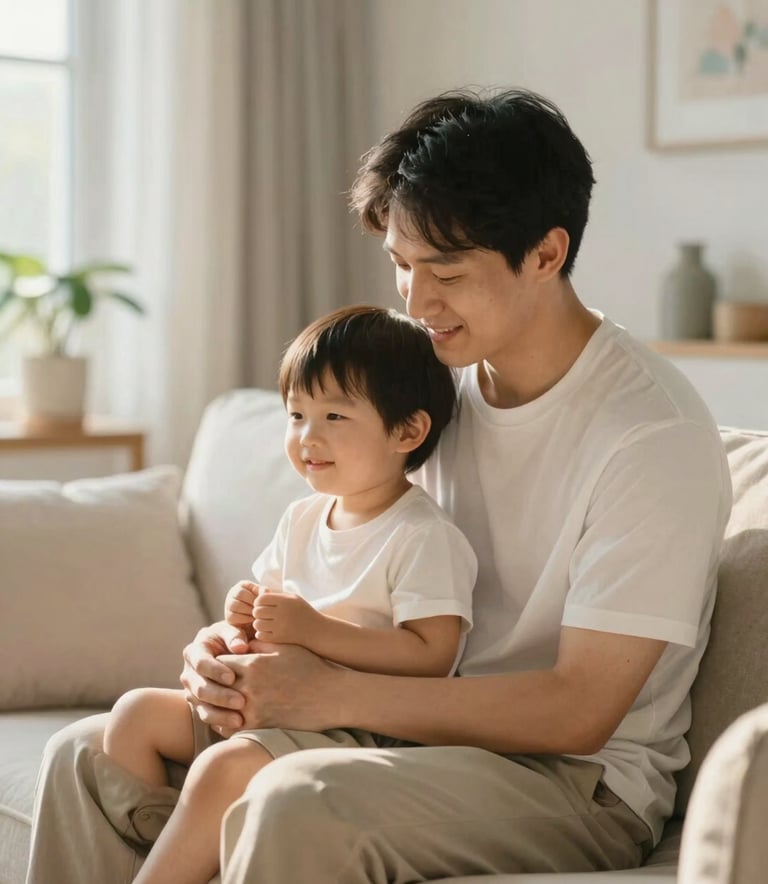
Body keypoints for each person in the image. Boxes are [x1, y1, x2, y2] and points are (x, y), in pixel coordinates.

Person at [27, 87, 732, 884]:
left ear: (545, 254)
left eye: (447, 272)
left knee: (294, 799)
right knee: (85, 753)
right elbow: (337, 573)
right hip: (404, 732)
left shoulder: (650, 433)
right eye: (401, 265)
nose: (417, 302)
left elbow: (579, 710)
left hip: (573, 779)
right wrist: (225, 658)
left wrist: (324, 695)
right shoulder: (425, 388)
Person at [76, 305, 477, 884]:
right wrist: (239, 620)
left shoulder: (422, 535)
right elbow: (266, 612)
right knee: (134, 715)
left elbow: (433, 655)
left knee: (221, 769)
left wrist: (316, 631)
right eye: (295, 415)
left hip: (350, 729)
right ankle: (176, 849)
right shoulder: (302, 518)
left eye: (334, 415)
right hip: (268, 705)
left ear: (406, 432)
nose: (307, 436)